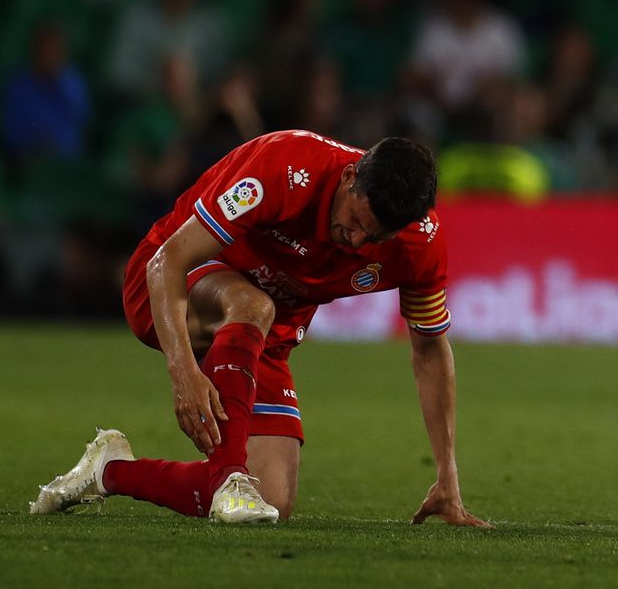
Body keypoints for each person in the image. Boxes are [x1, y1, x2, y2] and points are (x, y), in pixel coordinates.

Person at [30, 129, 488, 528]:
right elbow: (165, 262)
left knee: (271, 500)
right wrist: (184, 374)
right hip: (170, 293)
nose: (357, 243)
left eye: (377, 238)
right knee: (253, 302)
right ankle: (229, 476)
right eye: (356, 223)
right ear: (350, 179)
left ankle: (109, 471)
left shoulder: (419, 245)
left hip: (261, 339)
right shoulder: (286, 166)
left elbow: (430, 352)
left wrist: (447, 475)